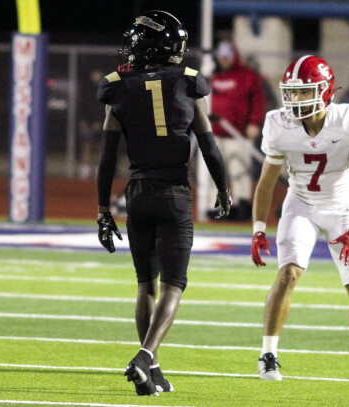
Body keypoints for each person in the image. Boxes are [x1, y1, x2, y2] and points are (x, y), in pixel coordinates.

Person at [95, 11, 232, 396]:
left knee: (145, 285)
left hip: (136, 194)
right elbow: (208, 146)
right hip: (173, 193)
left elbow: (107, 159)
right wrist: (223, 188)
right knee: (174, 285)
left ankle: (152, 371)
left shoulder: (117, 87)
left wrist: (104, 211)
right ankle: (145, 356)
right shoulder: (188, 83)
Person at [251, 55, 349, 382]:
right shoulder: (279, 124)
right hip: (300, 204)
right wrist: (258, 230)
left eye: (303, 92)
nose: (295, 100)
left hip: (341, 206)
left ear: (325, 91)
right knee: (288, 274)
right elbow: (266, 183)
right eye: (292, 93)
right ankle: (267, 355)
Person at [209, 40, 266, 220]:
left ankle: (242, 205)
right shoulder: (213, 77)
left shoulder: (248, 76)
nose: (224, 60)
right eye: (221, 57)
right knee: (215, 173)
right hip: (215, 135)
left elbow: (258, 100)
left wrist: (254, 123)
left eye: (227, 56)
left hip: (238, 134)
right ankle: (217, 205)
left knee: (240, 170)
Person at [78, 69, 105, 179]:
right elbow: (83, 106)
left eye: (97, 73)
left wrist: (100, 122)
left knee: (100, 146)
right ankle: (85, 170)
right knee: (87, 145)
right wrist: (83, 120)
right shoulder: (87, 89)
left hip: (100, 123)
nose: (95, 75)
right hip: (88, 122)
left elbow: (106, 108)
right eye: (94, 73)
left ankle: (100, 170)